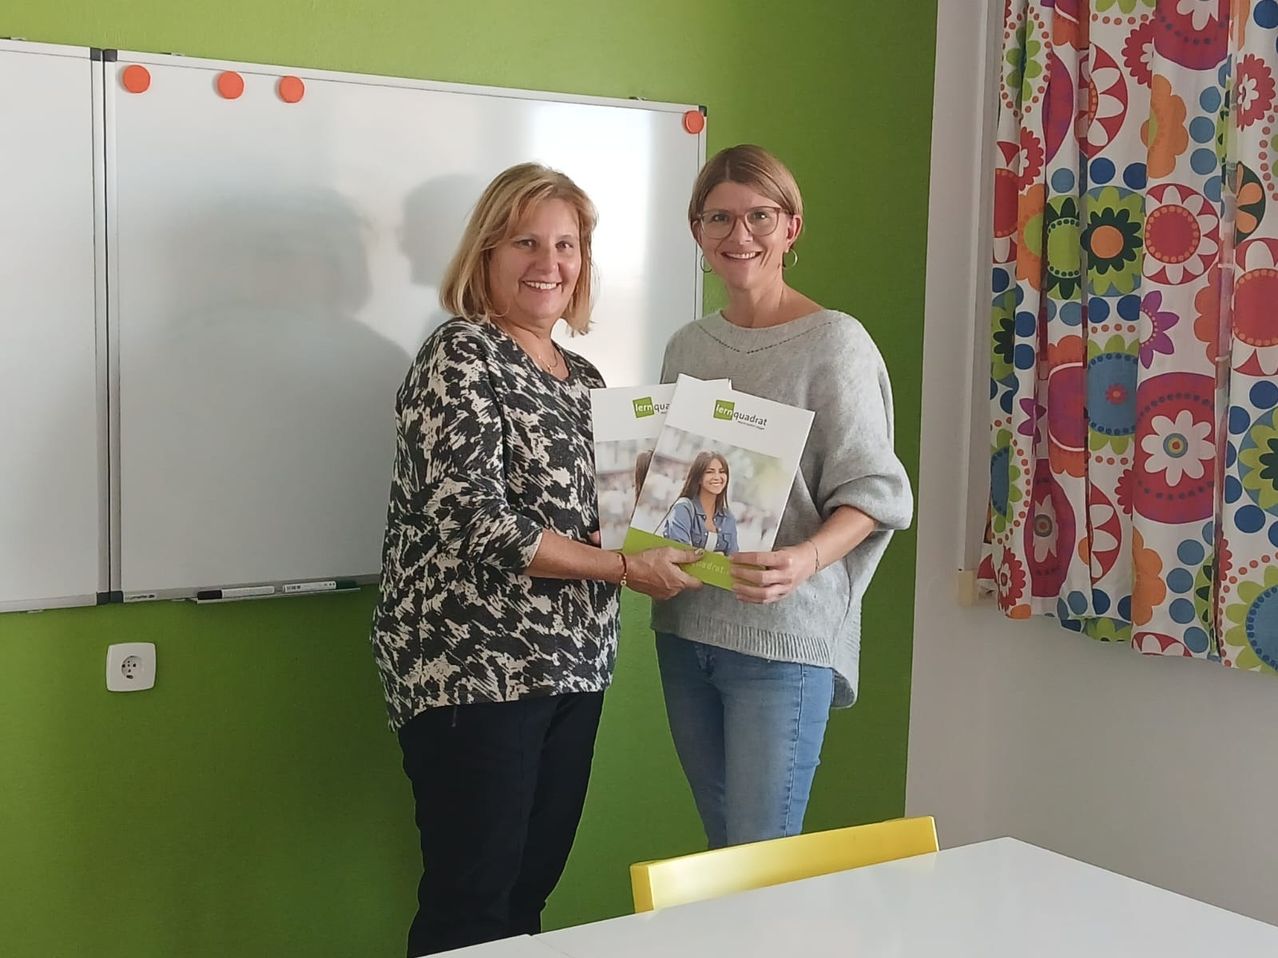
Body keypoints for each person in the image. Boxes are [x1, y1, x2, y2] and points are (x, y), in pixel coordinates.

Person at [370, 162, 700, 957]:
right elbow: (476, 522)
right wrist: (627, 570)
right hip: (474, 671)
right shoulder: (461, 356)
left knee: (526, 892)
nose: (549, 262)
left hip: (572, 667)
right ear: (485, 253)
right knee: (472, 901)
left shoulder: (583, 379)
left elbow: (609, 522)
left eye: (567, 243)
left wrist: (681, 521)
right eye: (526, 241)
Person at [653, 145, 913, 850]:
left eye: (759, 216)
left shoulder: (836, 343)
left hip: (784, 637)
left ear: (791, 227)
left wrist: (805, 559)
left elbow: (878, 491)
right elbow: (676, 478)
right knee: (723, 856)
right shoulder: (687, 347)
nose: (740, 235)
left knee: (760, 858)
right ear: (698, 231)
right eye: (720, 218)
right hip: (685, 631)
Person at [661, 451, 739, 556]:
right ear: (698, 478)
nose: (717, 477)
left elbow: (733, 561)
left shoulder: (728, 518)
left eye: (722, 471)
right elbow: (681, 554)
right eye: (710, 472)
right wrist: (719, 556)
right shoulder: (683, 508)